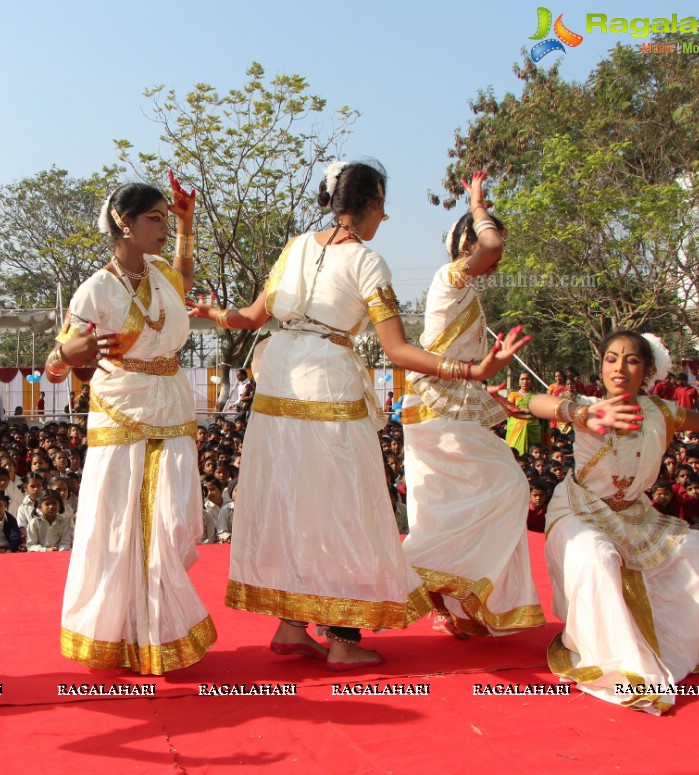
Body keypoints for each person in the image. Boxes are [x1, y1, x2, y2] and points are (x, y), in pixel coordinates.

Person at [188, 161, 528, 669]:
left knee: (292, 500)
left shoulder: (296, 247)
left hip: (277, 378)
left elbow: (249, 318)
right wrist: (469, 369)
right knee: (341, 505)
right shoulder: (368, 262)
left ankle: (291, 624)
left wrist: (212, 314)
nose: (384, 219)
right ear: (369, 205)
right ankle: (343, 640)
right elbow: (397, 350)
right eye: (383, 208)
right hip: (327, 382)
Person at [527, 330, 699, 714]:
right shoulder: (587, 406)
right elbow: (535, 402)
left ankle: (690, 645)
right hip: (580, 510)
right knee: (596, 557)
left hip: (635, 513)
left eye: (631, 359)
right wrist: (583, 413)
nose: (619, 367)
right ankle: (614, 660)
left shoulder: (661, 412)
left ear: (646, 370)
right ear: (600, 367)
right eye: (611, 358)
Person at [49, 173, 216, 675]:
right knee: (123, 525)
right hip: (121, 410)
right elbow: (53, 369)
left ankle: (160, 628)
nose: (163, 227)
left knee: (173, 519)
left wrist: (187, 227)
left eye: (167, 218)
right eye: (156, 218)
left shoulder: (162, 270)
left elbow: (182, 281)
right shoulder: (95, 290)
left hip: (171, 403)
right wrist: (64, 352)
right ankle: (128, 634)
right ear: (124, 223)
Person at [400, 172, 545, 639]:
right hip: (437, 405)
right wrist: (478, 203)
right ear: (462, 242)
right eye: (480, 232)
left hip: (443, 403)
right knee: (507, 487)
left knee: (448, 509)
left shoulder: (464, 289)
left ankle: (452, 598)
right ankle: (405, 576)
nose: (490, 241)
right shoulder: (451, 276)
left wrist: (493, 390)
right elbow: (491, 248)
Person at [505, 373, 544, 456]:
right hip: (515, 428)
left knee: (534, 452)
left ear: (531, 382)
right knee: (514, 453)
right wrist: (523, 410)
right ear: (519, 382)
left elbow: (539, 411)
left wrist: (526, 413)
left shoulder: (536, 396)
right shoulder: (513, 395)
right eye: (522, 379)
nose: (525, 381)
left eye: (527, 379)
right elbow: (509, 409)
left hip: (532, 428)